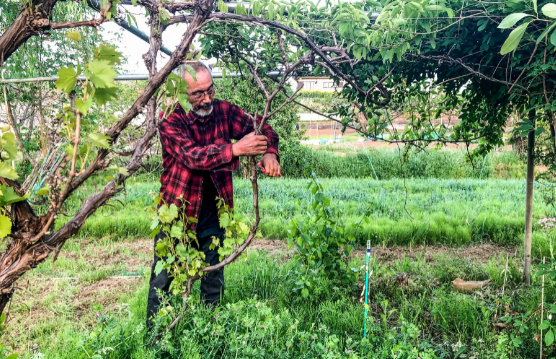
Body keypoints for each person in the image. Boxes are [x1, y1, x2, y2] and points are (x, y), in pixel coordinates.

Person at [146, 61, 281, 325]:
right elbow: (192, 156)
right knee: (163, 281)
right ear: (182, 93)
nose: (207, 98)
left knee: (213, 281)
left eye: (210, 90)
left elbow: (261, 127)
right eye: (198, 94)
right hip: (178, 214)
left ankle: (210, 335)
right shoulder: (170, 118)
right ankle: (155, 339)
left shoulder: (224, 110)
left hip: (215, 213)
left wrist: (269, 152)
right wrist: (235, 149)